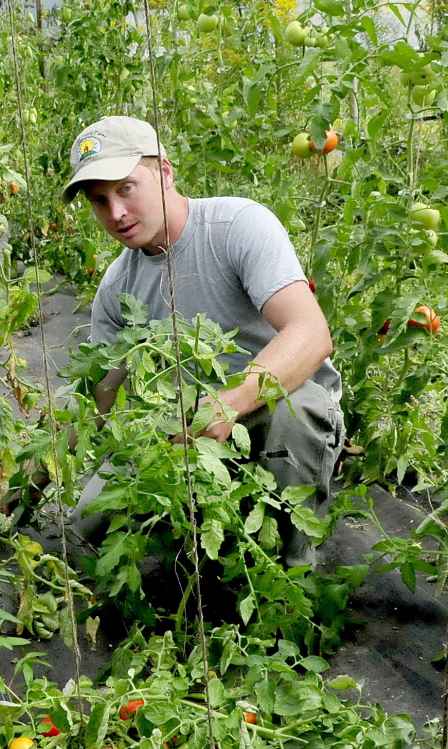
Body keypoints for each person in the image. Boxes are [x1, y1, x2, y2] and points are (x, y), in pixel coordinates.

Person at [62, 115, 344, 568]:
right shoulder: (117, 288)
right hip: (185, 433)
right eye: (99, 200)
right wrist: (36, 469)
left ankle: (293, 571)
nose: (115, 213)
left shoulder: (237, 226)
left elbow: (311, 334)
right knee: (84, 538)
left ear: (165, 172)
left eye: (126, 188)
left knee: (299, 410)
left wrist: (231, 402)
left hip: (264, 416)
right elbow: (101, 399)